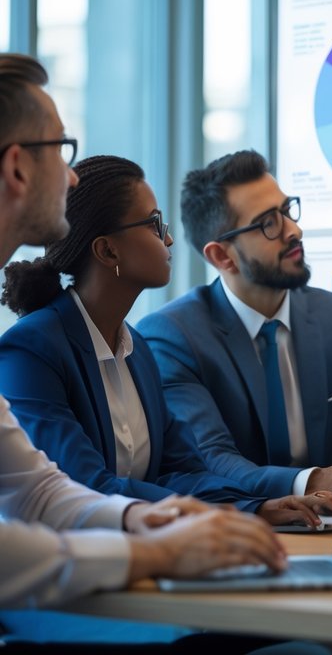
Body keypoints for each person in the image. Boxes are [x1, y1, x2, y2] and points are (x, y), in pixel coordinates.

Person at [0, 53, 288, 608]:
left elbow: (38, 491)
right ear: (16, 167)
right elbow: (65, 494)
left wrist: (181, 516)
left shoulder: (137, 347)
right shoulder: (31, 348)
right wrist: (157, 547)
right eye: (62, 149)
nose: (73, 172)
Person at [0, 155, 332, 529]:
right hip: (75, 569)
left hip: (148, 551)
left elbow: (183, 471)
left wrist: (260, 507)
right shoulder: (31, 351)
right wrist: (225, 512)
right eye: (153, 224)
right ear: (107, 251)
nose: (167, 238)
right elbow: (85, 487)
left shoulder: (137, 349)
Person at [138, 150, 332, 501]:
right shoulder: (172, 338)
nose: (295, 230)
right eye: (268, 224)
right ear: (222, 256)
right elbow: (211, 458)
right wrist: (314, 482)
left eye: (288, 211)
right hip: (246, 532)